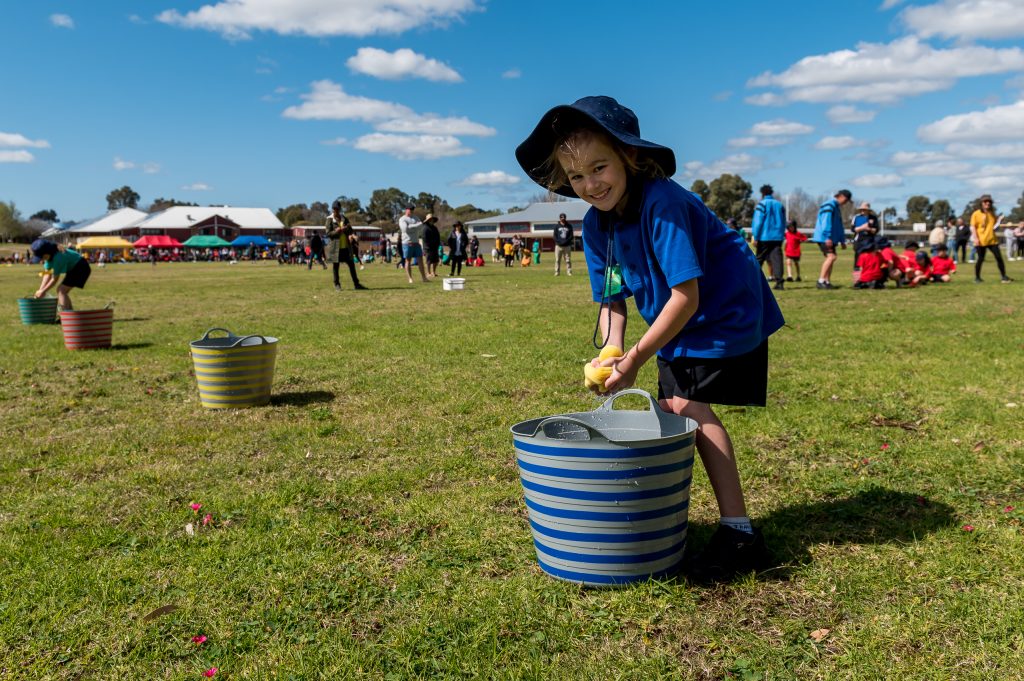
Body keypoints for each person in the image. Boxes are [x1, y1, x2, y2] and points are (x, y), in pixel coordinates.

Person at [516, 95, 784, 583]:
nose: (591, 184)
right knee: (673, 408)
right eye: (576, 177)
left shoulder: (662, 203)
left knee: (686, 408)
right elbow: (612, 298)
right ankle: (714, 521)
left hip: (723, 310)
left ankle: (740, 533)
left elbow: (687, 295)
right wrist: (613, 348)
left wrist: (638, 356)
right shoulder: (597, 224)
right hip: (682, 317)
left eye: (599, 167)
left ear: (629, 157)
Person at [31, 239, 91, 310]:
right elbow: (47, 274)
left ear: (47, 253)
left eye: (41, 257)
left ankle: (67, 316)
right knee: (61, 291)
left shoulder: (58, 257)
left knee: (61, 291)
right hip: (73, 268)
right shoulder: (48, 257)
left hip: (81, 268)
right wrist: (40, 290)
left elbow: (54, 279)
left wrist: (43, 291)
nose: (41, 260)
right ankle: (69, 314)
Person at [811, 189, 850, 289]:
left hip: (832, 238)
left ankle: (827, 281)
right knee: (831, 257)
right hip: (825, 237)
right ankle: (820, 281)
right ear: (840, 196)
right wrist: (827, 236)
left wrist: (842, 240)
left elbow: (839, 225)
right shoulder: (829, 205)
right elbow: (826, 221)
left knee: (832, 258)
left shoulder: (836, 208)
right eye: (846, 199)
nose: (846, 202)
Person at [750, 184, 787, 290]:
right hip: (777, 238)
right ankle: (779, 282)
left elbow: (758, 222)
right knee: (777, 260)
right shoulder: (780, 205)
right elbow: (784, 222)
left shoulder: (762, 204)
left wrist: (756, 236)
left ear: (762, 193)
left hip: (764, 237)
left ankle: (753, 280)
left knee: (759, 259)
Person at [325, 202, 367, 291]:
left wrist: (352, 235)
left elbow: (350, 230)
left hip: (346, 247)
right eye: (333, 209)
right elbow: (328, 234)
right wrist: (338, 230)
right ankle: (337, 285)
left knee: (352, 265)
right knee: (336, 267)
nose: (335, 210)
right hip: (336, 248)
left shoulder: (344, 218)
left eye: (336, 208)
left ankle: (357, 284)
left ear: (339, 209)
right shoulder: (329, 220)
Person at [970, 194, 1011, 283]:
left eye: (989, 202)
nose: (987, 203)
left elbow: (994, 227)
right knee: (980, 259)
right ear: (981, 203)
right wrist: (976, 238)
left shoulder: (992, 214)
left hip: (992, 240)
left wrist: (1000, 220)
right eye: (985, 202)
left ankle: (1004, 277)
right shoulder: (976, 214)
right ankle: (977, 278)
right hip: (981, 241)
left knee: (999, 258)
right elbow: (973, 227)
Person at [398, 205, 428, 284]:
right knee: (408, 261)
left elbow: (420, 227)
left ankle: (424, 278)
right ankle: (410, 278)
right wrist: (416, 226)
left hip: (416, 242)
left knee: (420, 260)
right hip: (407, 243)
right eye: (410, 209)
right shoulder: (402, 219)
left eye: (412, 209)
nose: (411, 211)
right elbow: (405, 229)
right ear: (406, 209)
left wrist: (411, 227)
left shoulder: (416, 217)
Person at [851, 202, 879, 267]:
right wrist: (862, 227)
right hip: (858, 240)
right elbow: (853, 229)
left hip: (870, 240)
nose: (862, 211)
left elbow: (876, 230)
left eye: (864, 209)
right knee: (858, 258)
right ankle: (857, 274)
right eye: (861, 209)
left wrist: (869, 229)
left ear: (868, 210)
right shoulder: (856, 217)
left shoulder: (873, 218)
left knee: (869, 258)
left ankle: (868, 273)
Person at [421, 213, 442, 278]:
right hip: (428, 247)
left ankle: (433, 272)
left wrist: (438, 243)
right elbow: (425, 238)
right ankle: (428, 273)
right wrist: (430, 244)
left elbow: (438, 236)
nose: (432, 221)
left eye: (432, 219)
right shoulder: (425, 228)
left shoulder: (435, 228)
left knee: (436, 260)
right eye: (430, 219)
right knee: (428, 261)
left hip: (435, 247)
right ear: (428, 220)